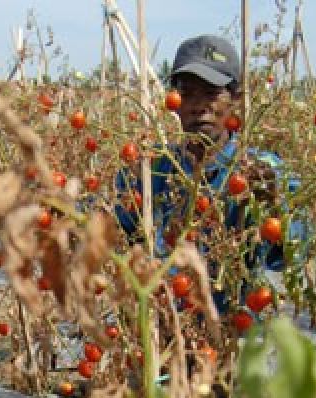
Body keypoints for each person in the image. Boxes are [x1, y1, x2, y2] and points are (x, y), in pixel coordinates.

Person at [113, 35, 304, 313]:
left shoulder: (265, 172)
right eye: (188, 93)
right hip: (165, 330)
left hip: (237, 332)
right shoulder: (150, 169)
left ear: (236, 100)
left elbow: (294, 256)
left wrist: (275, 206)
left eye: (212, 93)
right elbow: (118, 236)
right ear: (174, 102)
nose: (199, 105)